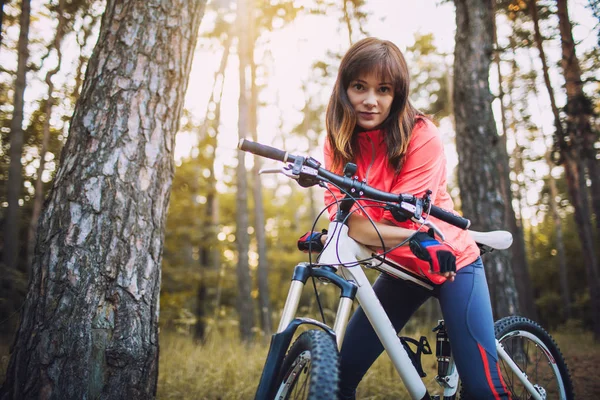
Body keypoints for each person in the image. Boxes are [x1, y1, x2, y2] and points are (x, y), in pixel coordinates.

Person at [302, 37, 511, 399]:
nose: (370, 100)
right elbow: (345, 218)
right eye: (359, 87)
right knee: (338, 380)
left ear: (397, 94)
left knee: (482, 391)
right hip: (402, 266)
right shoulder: (338, 140)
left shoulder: (421, 134)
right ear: (344, 88)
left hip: (447, 258)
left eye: (383, 89)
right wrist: (350, 227)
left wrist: (362, 227)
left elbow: (405, 221)